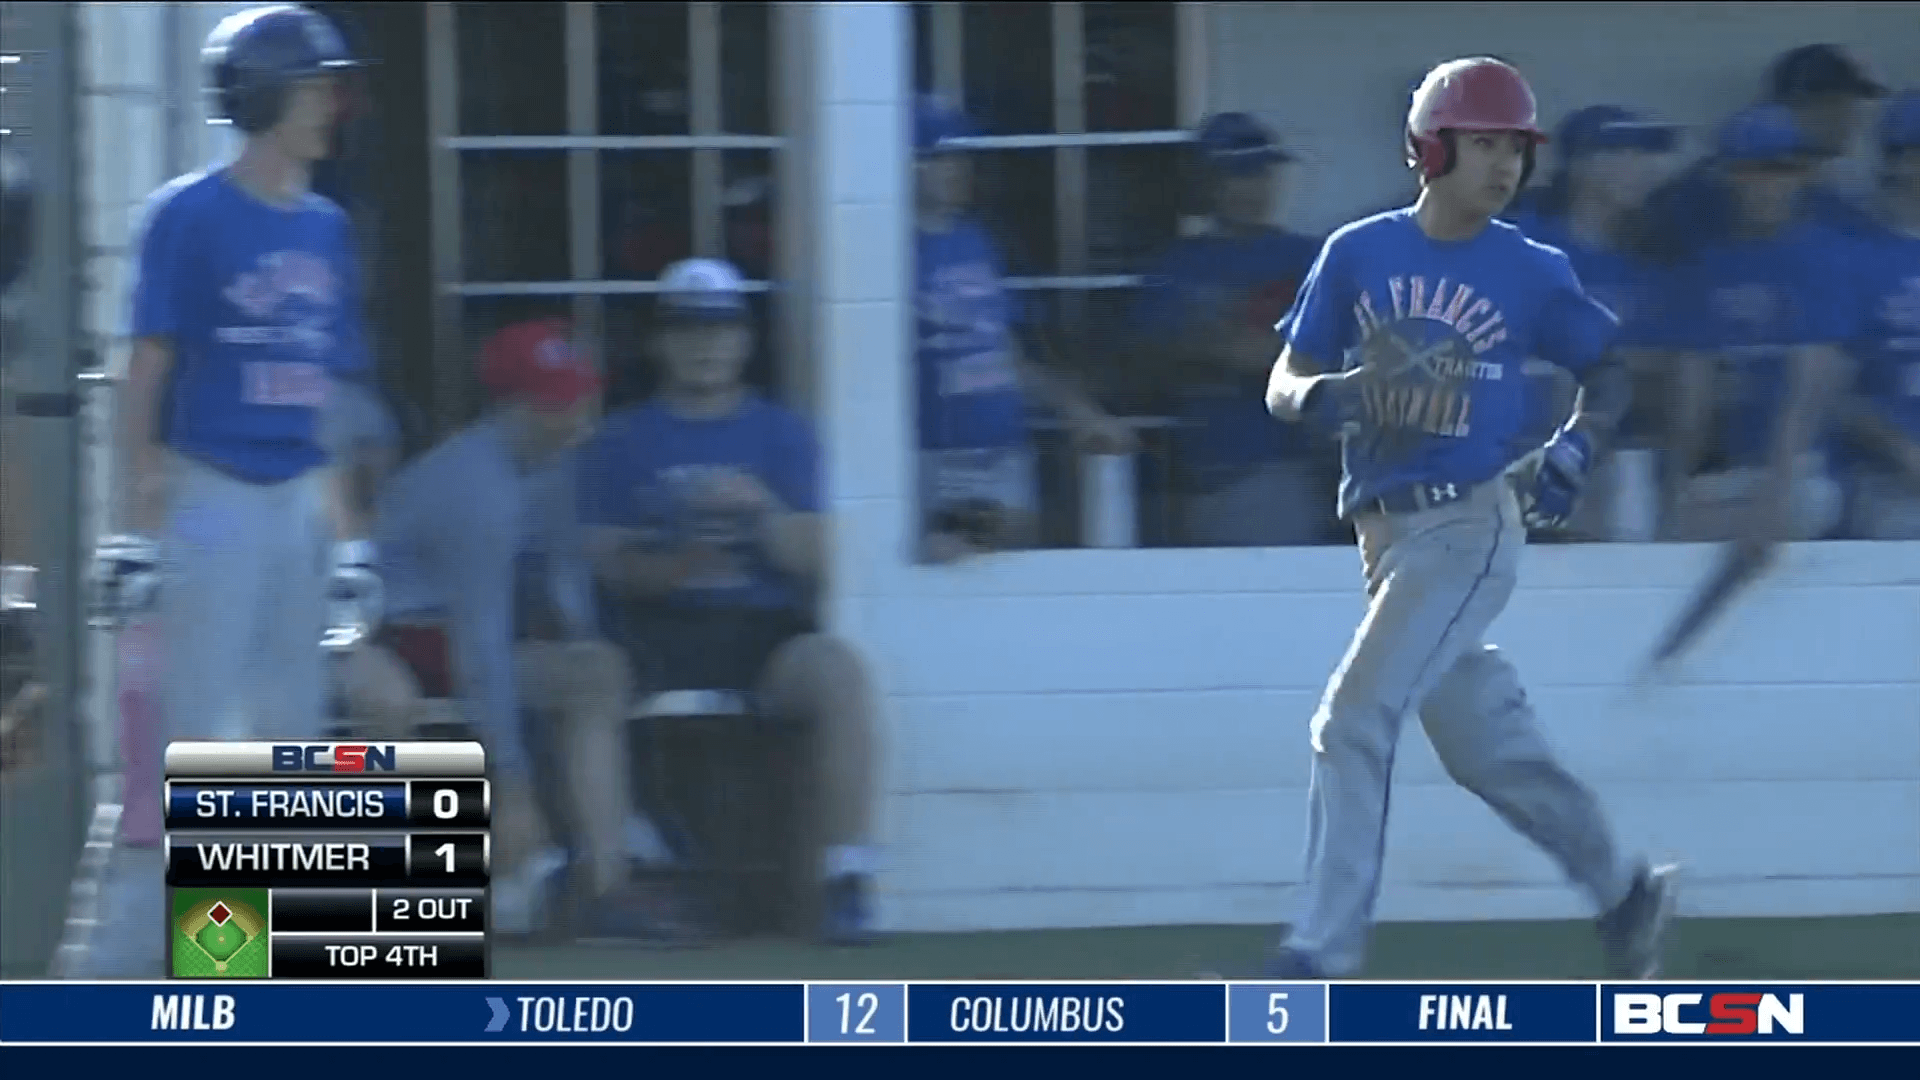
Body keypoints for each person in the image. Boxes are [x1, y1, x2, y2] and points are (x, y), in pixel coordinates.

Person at [1260, 57, 1677, 980]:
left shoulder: (1531, 270)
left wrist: (1575, 448)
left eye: (1517, 149)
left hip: (1470, 526)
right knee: (1492, 749)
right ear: (1430, 147)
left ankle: (1318, 957)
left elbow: (1610, 373)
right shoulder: (1359, 253)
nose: (1505, 165)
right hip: (1385, 537)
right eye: (1485, 143)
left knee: (1351, 720)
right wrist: (1332, 396)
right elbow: (1283, 385)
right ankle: (1625, 891)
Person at [80, 6, 378, 978]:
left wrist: (349, 543)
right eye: (311, 86)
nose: (330, 105)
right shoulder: (189, 212)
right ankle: (125, 981)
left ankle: (239, 973)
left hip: (295, 500)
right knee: (191, 749)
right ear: (262, 96)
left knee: (288, 751)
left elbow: (328, 398)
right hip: (211, 492)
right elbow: (147, 371)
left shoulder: (328, 229)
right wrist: (134, 525)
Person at [345, 318, 682, 941]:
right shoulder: (475, 484)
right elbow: (481, 646)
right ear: (513, 406)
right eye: (556, 400)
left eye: (580, 392)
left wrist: (578, 638)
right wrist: (512, 779)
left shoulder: (552, 462)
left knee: (600, 671)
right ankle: (548, 867)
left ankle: (605, 879)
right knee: (579, 680)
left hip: (457, 634)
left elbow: (563, 569)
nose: (578, 410)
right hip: (399, 633)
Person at [579, 258, 882, 945]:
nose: (705, 345)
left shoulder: (784, 433)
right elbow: (604, 562)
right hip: (656, 629)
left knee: (840, 671)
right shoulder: (622, 437)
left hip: (760, 627)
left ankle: (846, 878)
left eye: (719, 329)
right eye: (686, 329)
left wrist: (760, 512)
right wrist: (676, 556)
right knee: (591, 674)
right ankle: (622, 880)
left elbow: (824, 555)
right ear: (660, 341)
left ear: (745, 339)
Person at [914, 95, 1136, 560]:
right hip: (930, 460)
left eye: (962, 157)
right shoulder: (890, 245)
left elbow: (1004, 350)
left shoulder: (975, 240)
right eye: (942, 157)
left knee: (1012, 573)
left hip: (1002, 450)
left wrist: (1077, 409)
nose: (959, 170)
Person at [1130, 112, 1337, 546]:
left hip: (1290, 467)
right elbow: (1151, 362)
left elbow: (1327, 358)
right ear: (1207, 182)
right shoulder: (1178, 265)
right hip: (1198, 469)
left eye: (1262, 173)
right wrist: (1235, 349)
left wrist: (1228, 345)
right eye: (1236, 174)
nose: (1253, 188)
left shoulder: (1310, 258)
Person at [1657, 105, 1860, 545]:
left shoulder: (1825, 257)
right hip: (1731, 470)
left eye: (1781, 170)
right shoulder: (1708, 264)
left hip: (1807, 468)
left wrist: (1776, 495)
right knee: (1659, 527)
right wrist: (1674, 485)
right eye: (1753, 171)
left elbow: (1812, 386)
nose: (1768, 184)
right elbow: (1694, 390)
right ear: (1730, 175)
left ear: (1802, 175)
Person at [1507, 105, 1682, 538]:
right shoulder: (1526, 244)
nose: (1640, 168)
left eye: (1645, 155)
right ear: (1580, 165)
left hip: (1619, 453)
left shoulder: (1649, 257)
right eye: (1622, 154)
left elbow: (1668, 367)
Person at [1634, 44, 1888, 265]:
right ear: (1798, 101)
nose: (1854, 116)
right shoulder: (1708, 190)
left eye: (1855, 103)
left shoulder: (1838, 196)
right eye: (1837, 102)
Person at [1839, 89, 1920, 539]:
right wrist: (1903, 452)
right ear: (1898, 161)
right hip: (1888, 485)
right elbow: (1831, 390)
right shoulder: (1856, 256)